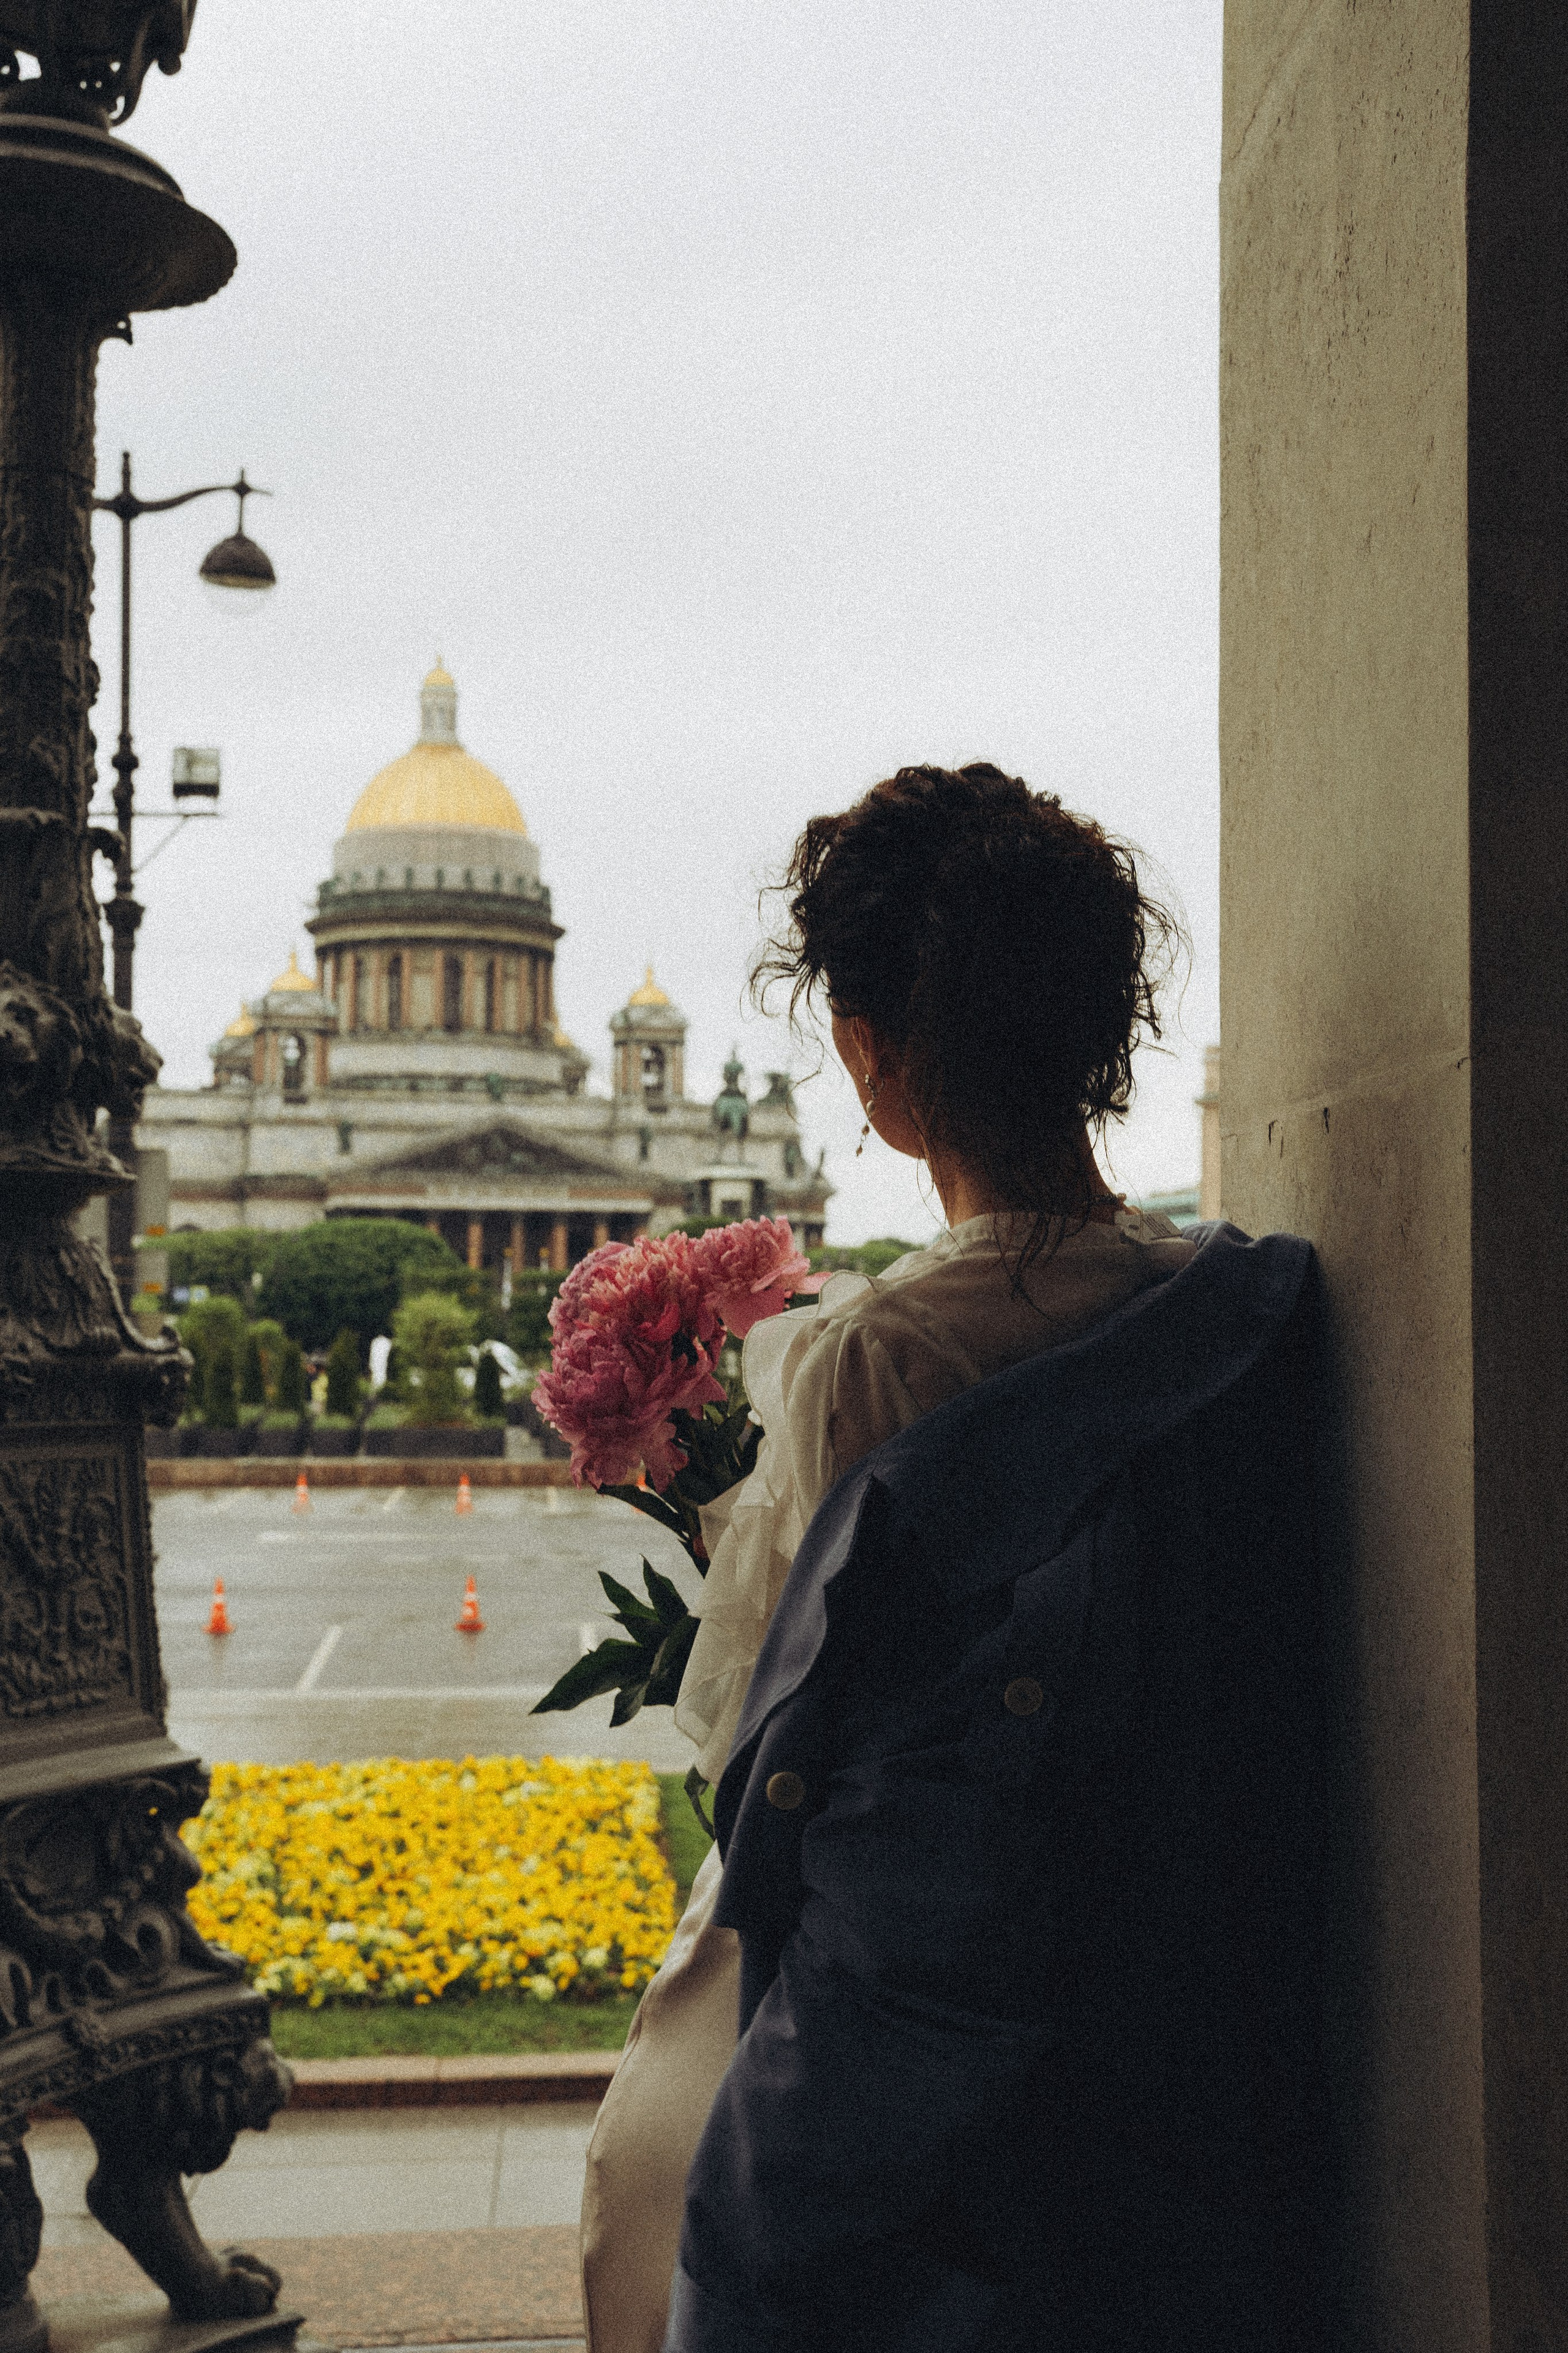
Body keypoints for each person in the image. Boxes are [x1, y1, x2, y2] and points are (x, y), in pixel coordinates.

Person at [581, 765, 1332, 2352]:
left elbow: (755, 1742)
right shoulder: (1242, 1306)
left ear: (870, 1059)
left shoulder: (871, 1358)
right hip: (1182, 2000)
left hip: (914, 2040)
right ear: (1104, 1030)